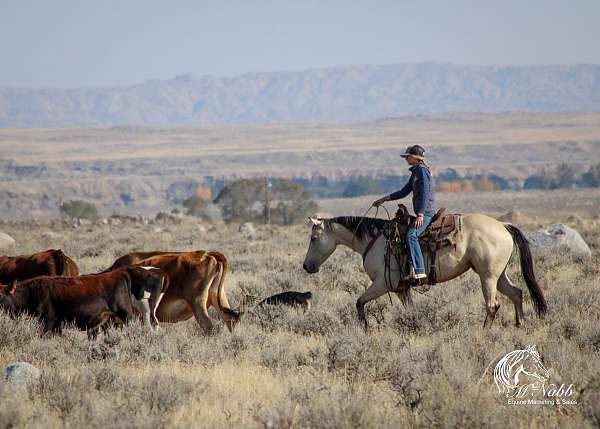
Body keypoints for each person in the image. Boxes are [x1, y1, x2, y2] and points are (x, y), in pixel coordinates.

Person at [373, 145, 436, 280]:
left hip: (426, 212)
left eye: (407, 156)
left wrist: (420, 214)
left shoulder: (421, 171)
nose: (406, 159)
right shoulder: (416, 171)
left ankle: (419, 270)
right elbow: (404, 191)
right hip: (424, 211)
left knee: (411, 235)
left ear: (415, 157)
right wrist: (385, 199)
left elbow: (425, 193)